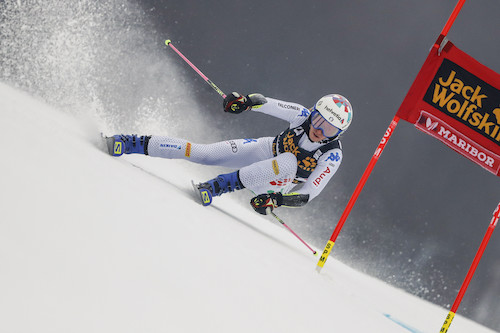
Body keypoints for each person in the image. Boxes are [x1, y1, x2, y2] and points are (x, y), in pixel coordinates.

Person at [105, 92, 353, 215]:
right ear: (312, 112)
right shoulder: (301, 114)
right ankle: (131, 143)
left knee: (288, 161)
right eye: (319, 119)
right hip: (267, 149)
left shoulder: (332, 154)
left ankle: (216, 187)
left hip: (278, 182)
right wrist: (244, 101)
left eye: (330, 128)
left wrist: (278, 200)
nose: (320, 130)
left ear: (338, 133)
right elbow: (266, 103)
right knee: (204, 153)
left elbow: (309, 193)